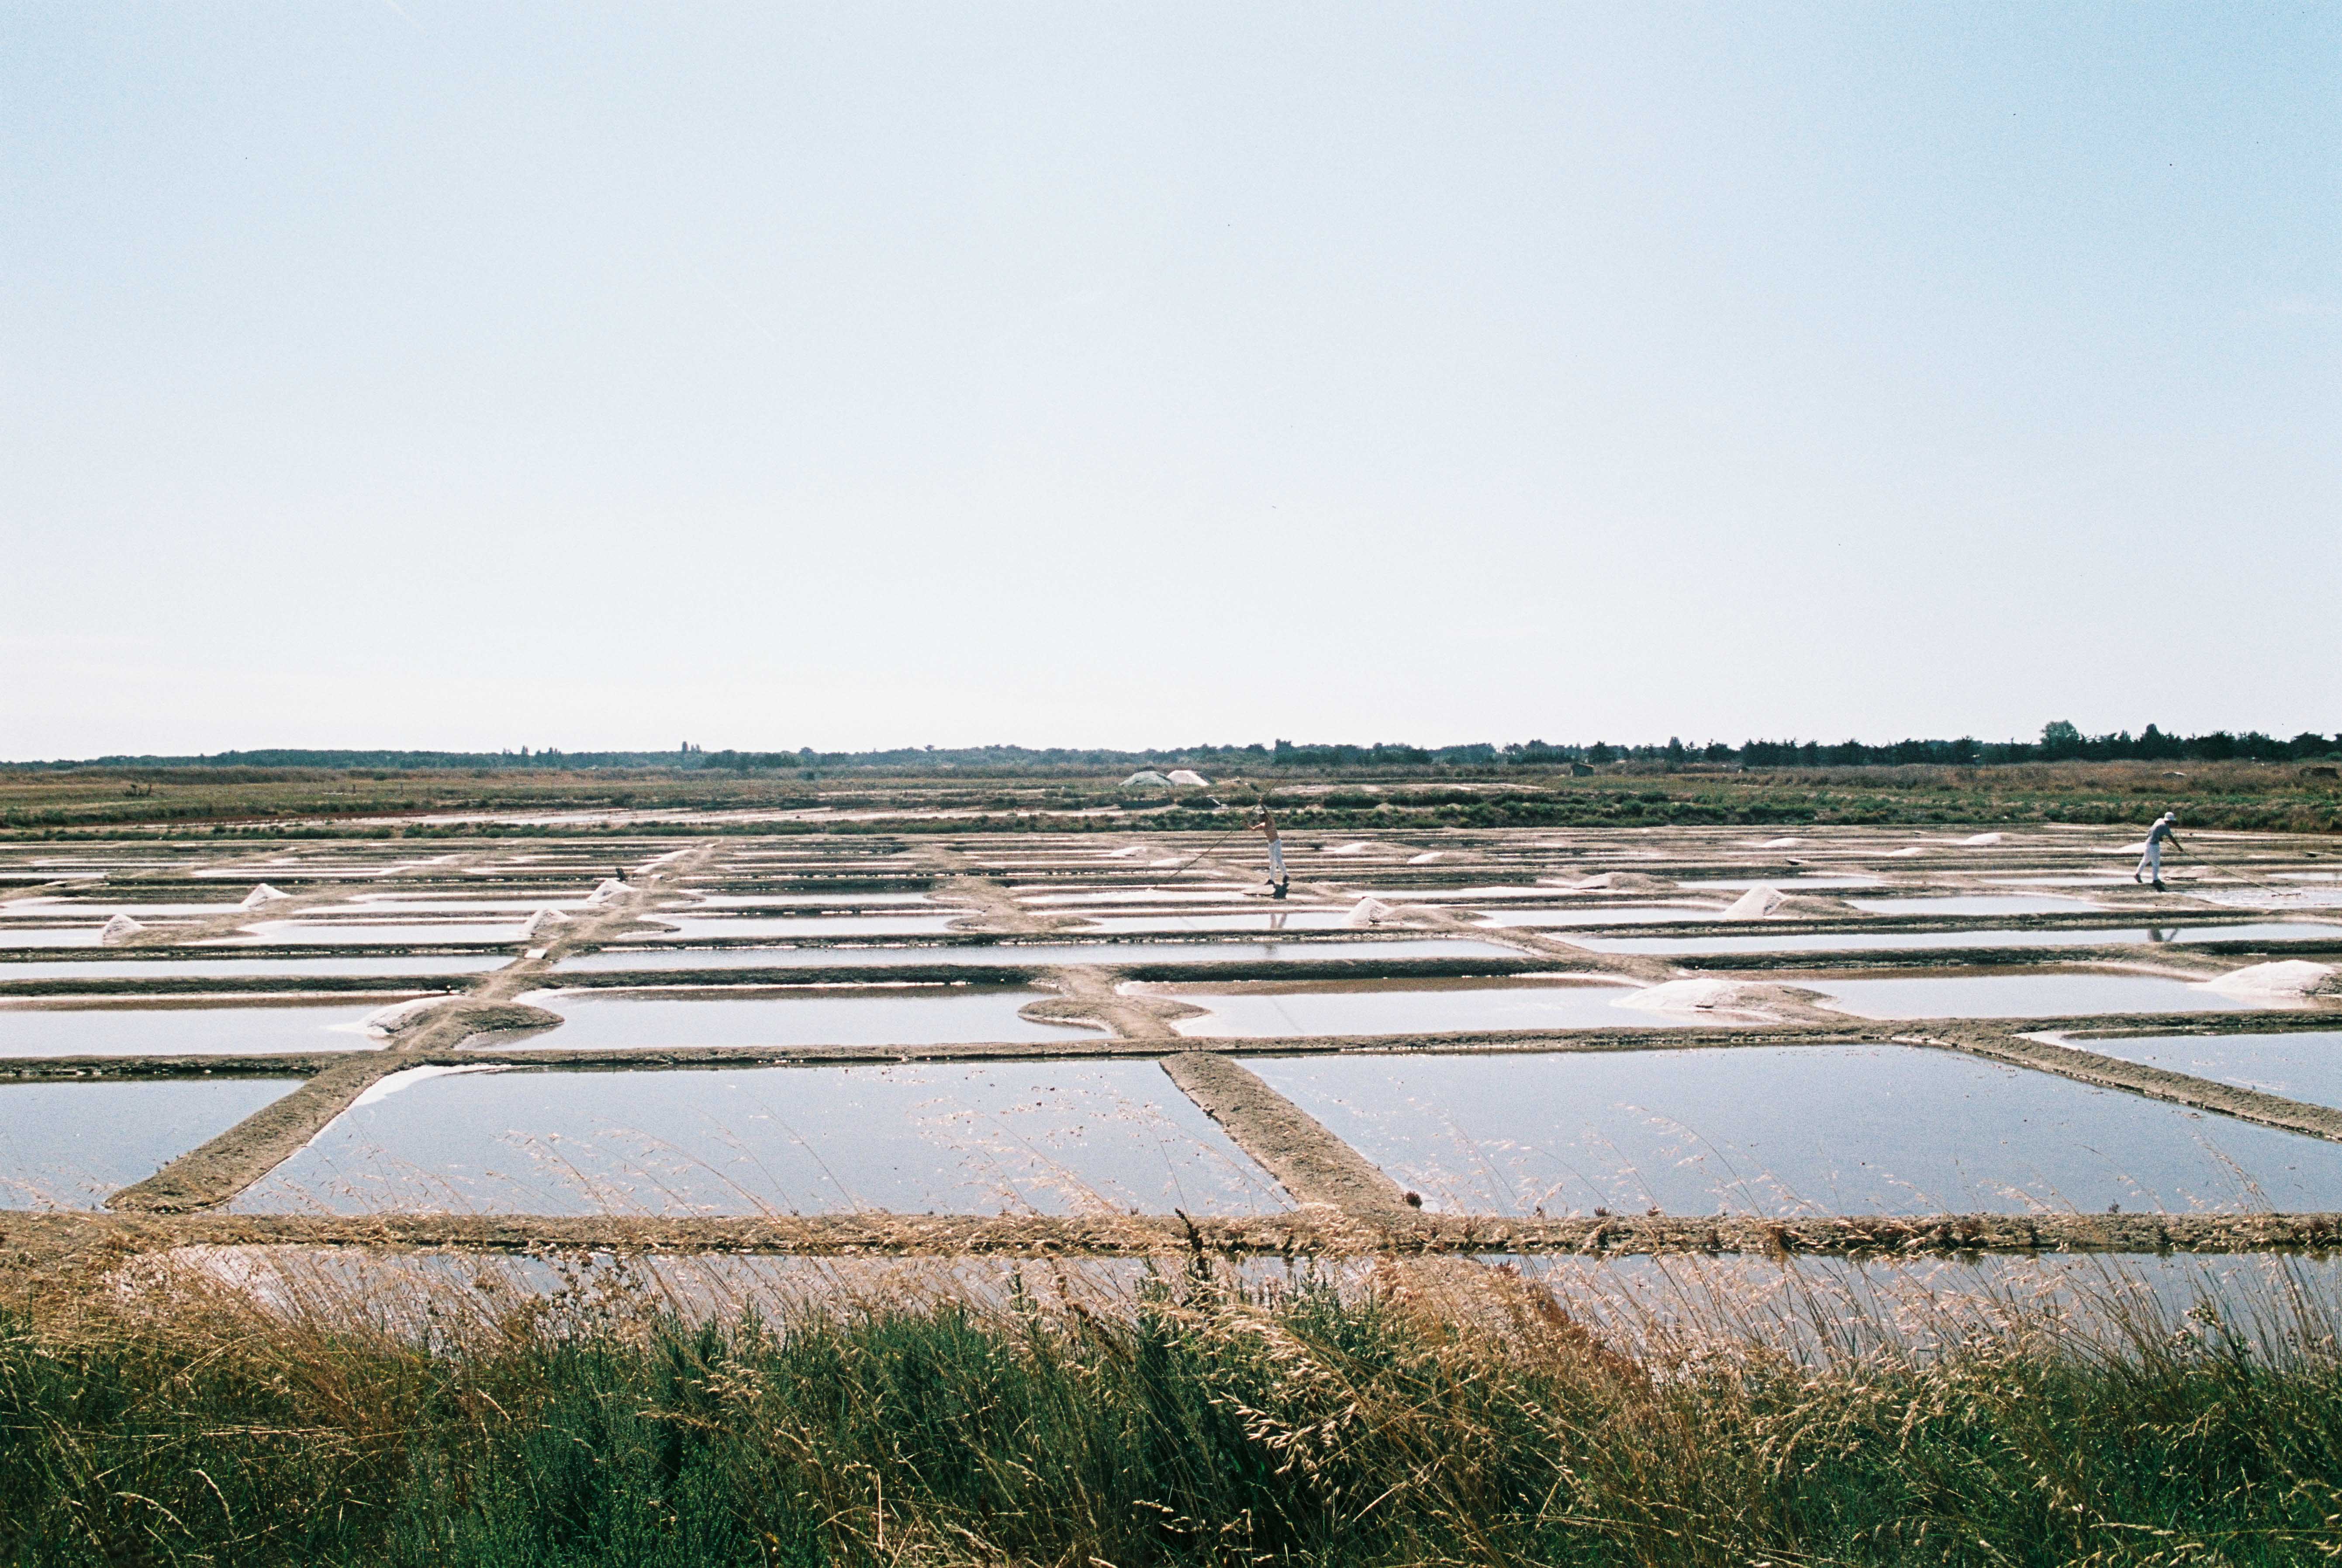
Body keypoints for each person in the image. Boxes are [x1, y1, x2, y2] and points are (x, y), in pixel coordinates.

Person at [2135, 811, 2183, 890]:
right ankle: (2155, 880)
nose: (2172, 824)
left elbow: (2152, 831)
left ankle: (2137, 874)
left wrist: (2159, 836)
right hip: (2154, 845)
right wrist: (2179, 847)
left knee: (2146, 859)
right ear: (2170, 821)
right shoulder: (2165, 827)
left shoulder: (2159, 820)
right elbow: (2171, 838)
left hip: (2148, 843)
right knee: (2156, 862)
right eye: (2172, 822)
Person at [1256, 806, 1289, 900]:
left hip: (1277, 842)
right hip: (1271, 844)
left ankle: (1286, 875)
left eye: (1263, 817)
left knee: (1278, 860)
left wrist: (1262, 805)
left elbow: (1268, 813)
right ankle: (1272, 880)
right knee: (1272, 863)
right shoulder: (1263, 825)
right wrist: (1245, 824)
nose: (1262, 819)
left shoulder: (1271, 821)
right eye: (1261, 818)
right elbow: (1253, 829)